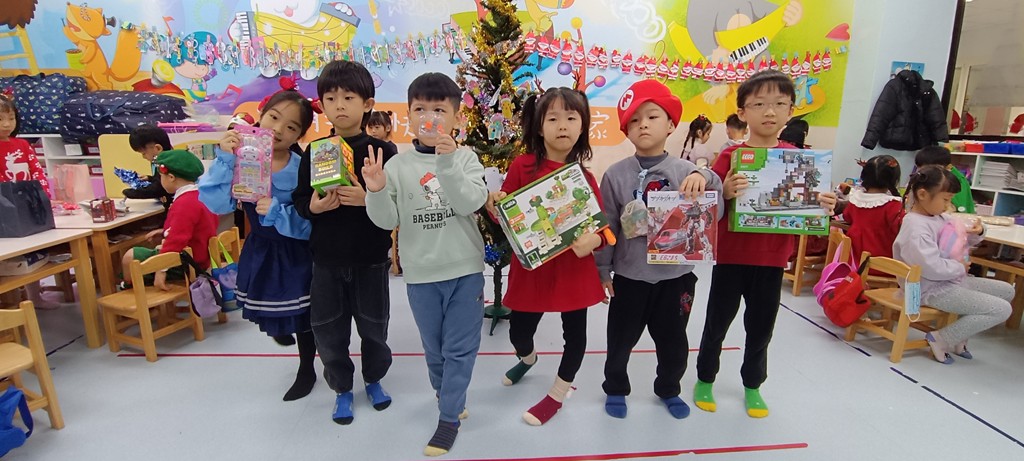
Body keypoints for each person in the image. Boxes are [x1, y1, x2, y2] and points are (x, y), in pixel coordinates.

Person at [694, 70, 836, 418]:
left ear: (791, 111)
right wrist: (725, 192)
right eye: (759, 104)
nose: (769, 112)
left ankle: (753, 385)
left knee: (760, 329)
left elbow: (809, 208)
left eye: (779, 104)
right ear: (742, 112)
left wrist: (824, 205)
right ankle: (705, 378)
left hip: (772, 261)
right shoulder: (730, 156)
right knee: (716, 324)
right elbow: (709, 207)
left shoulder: (800, 159)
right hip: (731, 258)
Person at [364, 72, 488, 456]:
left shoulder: (466, 158)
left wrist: (446, 162)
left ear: (456, 118)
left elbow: (469, 202)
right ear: (408, 115)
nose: (429, 117)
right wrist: (376, 190)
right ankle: (445, 393)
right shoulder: (397, 166)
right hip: (420, 275)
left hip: (465, 271)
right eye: (420, 109)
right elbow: (387, 220)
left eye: (439, 110)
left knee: (459, 350)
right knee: (434, 351)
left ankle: (448, 418)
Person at [596, 79, 723, 420]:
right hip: (629, 277)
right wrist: (602, 269)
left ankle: (669, 389)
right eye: (634, 121)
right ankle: (616, 388)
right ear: (626, 130)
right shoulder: (615, 175)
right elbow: (607, 226)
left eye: (652, 117)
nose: (643, 125)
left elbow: (716, 212)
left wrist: (706, 177)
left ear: (670, 124)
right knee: (619, 342)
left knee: (674, 343)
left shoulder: (686, 171)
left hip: (675, 279)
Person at [482, 88, 606, 426]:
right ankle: (528, 358)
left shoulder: (584, 177)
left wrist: (595, 239)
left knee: (575, 336)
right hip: (532, 271)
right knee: (518, 333)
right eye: (553, 118)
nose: (562, 125)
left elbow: (605, 228)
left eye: (571, 118)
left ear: (582, 126)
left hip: (573, 271)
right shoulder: (522, 166)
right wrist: (495, 203)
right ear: (539, 127)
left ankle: (557, 394)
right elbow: (504, 214)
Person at [292, 60, 399, 425]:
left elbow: (396, 206)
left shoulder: (383, 151)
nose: (339, 105)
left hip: (371, 259)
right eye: (331, 98)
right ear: (321, 104)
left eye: (349, 97)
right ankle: (341, 388)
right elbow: (300, 200)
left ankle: (374, 379)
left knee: (374, 327)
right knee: (328, 331)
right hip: (327, 261)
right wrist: (314, 207)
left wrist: (368, 199)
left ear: (367, 104)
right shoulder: (315, 151)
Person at [198, 84, 318, 401]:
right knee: (272, 306)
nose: (278, 130)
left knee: (303, 315)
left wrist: (278, 211)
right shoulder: (241, 158)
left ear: (300, 135)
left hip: (296, 251)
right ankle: (280, 329)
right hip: (261, 248)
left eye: (291, 127)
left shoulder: (301, 168)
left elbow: (311, 221)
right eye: (274, 118)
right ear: (261, 115)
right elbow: (216, 203)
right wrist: (225, 158)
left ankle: (307, 369)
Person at [893, 165, 1012, 364]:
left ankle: (959, 336)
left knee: (1007, 291)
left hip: (947, 281)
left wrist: (978, 231)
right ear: (922, 194)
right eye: (946, 199)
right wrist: (959, 268)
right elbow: (930, 267)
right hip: (928, 289)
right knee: (1001, 309)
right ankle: (941, 339)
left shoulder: (937, 217)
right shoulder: (915, 228)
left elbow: (958, 238)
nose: (948, 205)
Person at [122, 150, 218, 290]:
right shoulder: (201, 195)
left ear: (171, 177)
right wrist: (165, 231)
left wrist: (161, 270)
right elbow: (194, 227)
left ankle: (131, 292)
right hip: (201, 256)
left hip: (188, 262)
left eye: (161, 176)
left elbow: (177, 240)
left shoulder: (184, 203)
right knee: (150, 250)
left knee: (130, 257)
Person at [841, 155, 904, 262]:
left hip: (854, 259)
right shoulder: (892, 204)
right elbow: (901, 228)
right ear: (893, 180)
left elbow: (847, 217)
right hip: (881, 262)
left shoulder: (856, 199)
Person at [123, 124, 174, 209]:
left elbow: (159, 188)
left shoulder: (168, 163)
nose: (143, 157)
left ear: (158, 148)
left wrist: (131, 192)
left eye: (144, 153)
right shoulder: (159, 161)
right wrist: (150, 178)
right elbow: (159, 180)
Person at [915, 146, 974, 214]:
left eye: (933, 171)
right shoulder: (923, 176)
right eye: (921, 170)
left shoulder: (956, 181)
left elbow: (958, 209)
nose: (927, 174)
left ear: (948, 168)